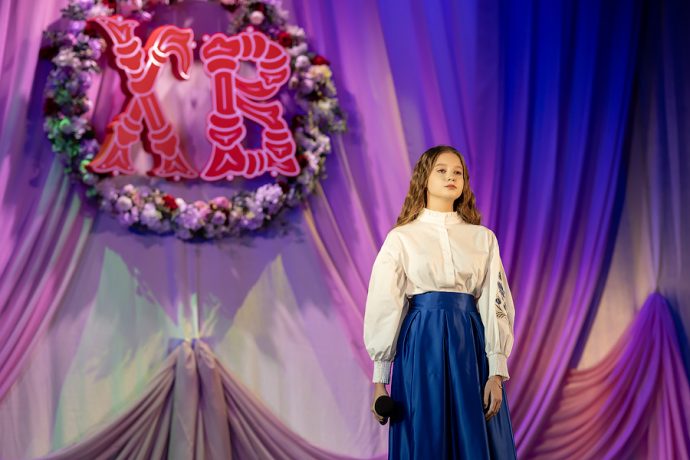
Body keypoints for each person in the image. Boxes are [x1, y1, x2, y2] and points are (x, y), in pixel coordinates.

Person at [363, 145, 518, 459]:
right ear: (425, 178)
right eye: (442, 170)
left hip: (469, 342)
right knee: (426, 427)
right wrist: (380, 381)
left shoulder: (483, 238)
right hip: (421, 344)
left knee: (474, 429)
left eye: (457, 172)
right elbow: (385, 305)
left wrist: (496, 373)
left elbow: (495, 304)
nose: (451, 177)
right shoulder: (401, 238)